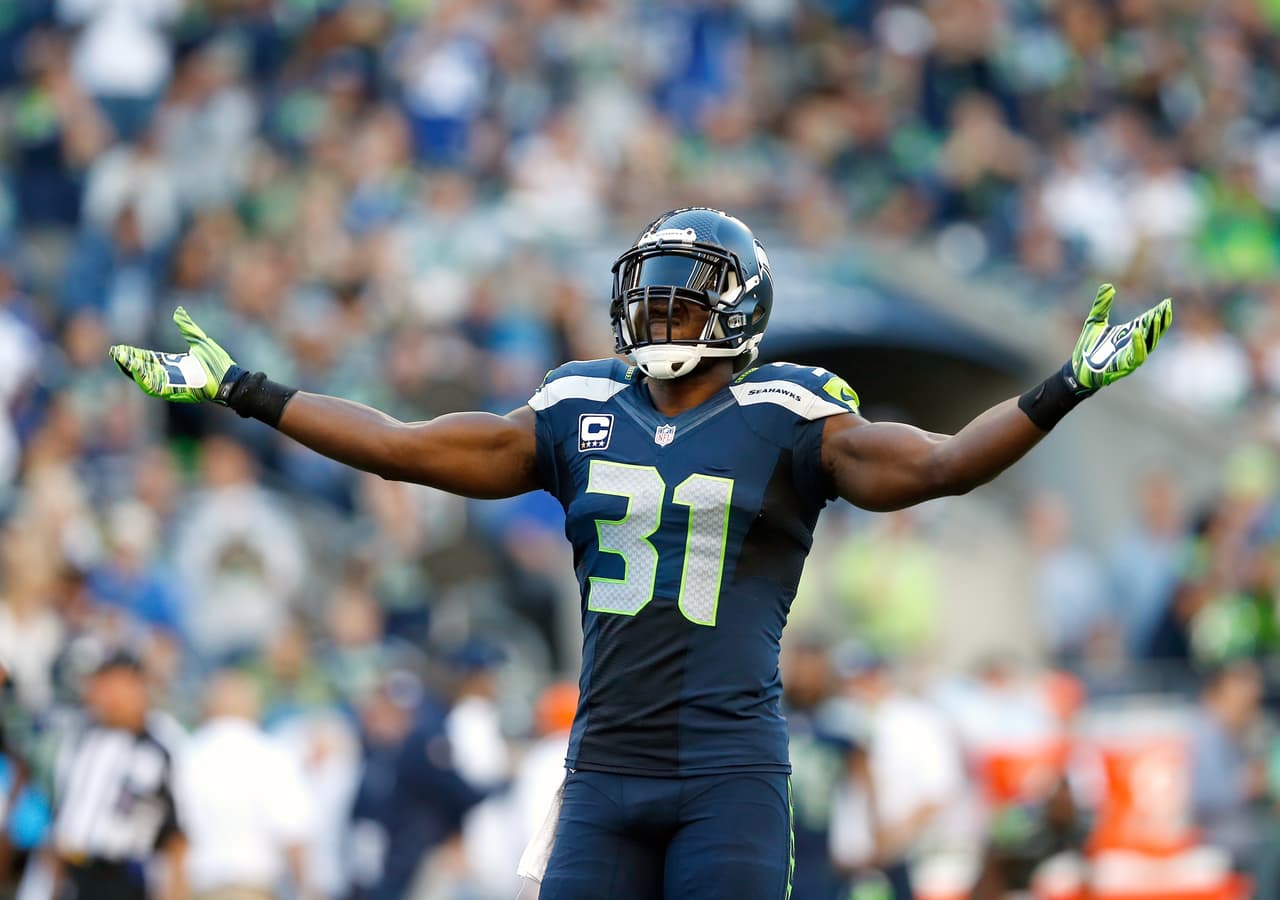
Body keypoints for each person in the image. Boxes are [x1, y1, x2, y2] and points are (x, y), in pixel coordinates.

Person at [109, 207, 1173, 900]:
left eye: (684, 290)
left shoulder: (790, 414)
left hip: (726, 772)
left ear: (739, 307)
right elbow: (399, 447)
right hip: (602, 770)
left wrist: (1062, 385)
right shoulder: (575, 407)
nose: (659, 308)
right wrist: (243, 389)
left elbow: (940, 465)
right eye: (651, 288)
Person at [173, 670, 313, 900]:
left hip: (194, 889)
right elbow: (294, 834)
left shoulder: (186, 756)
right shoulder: (272, 755)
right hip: (250, 889)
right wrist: (308, 892)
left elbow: (173, 839)